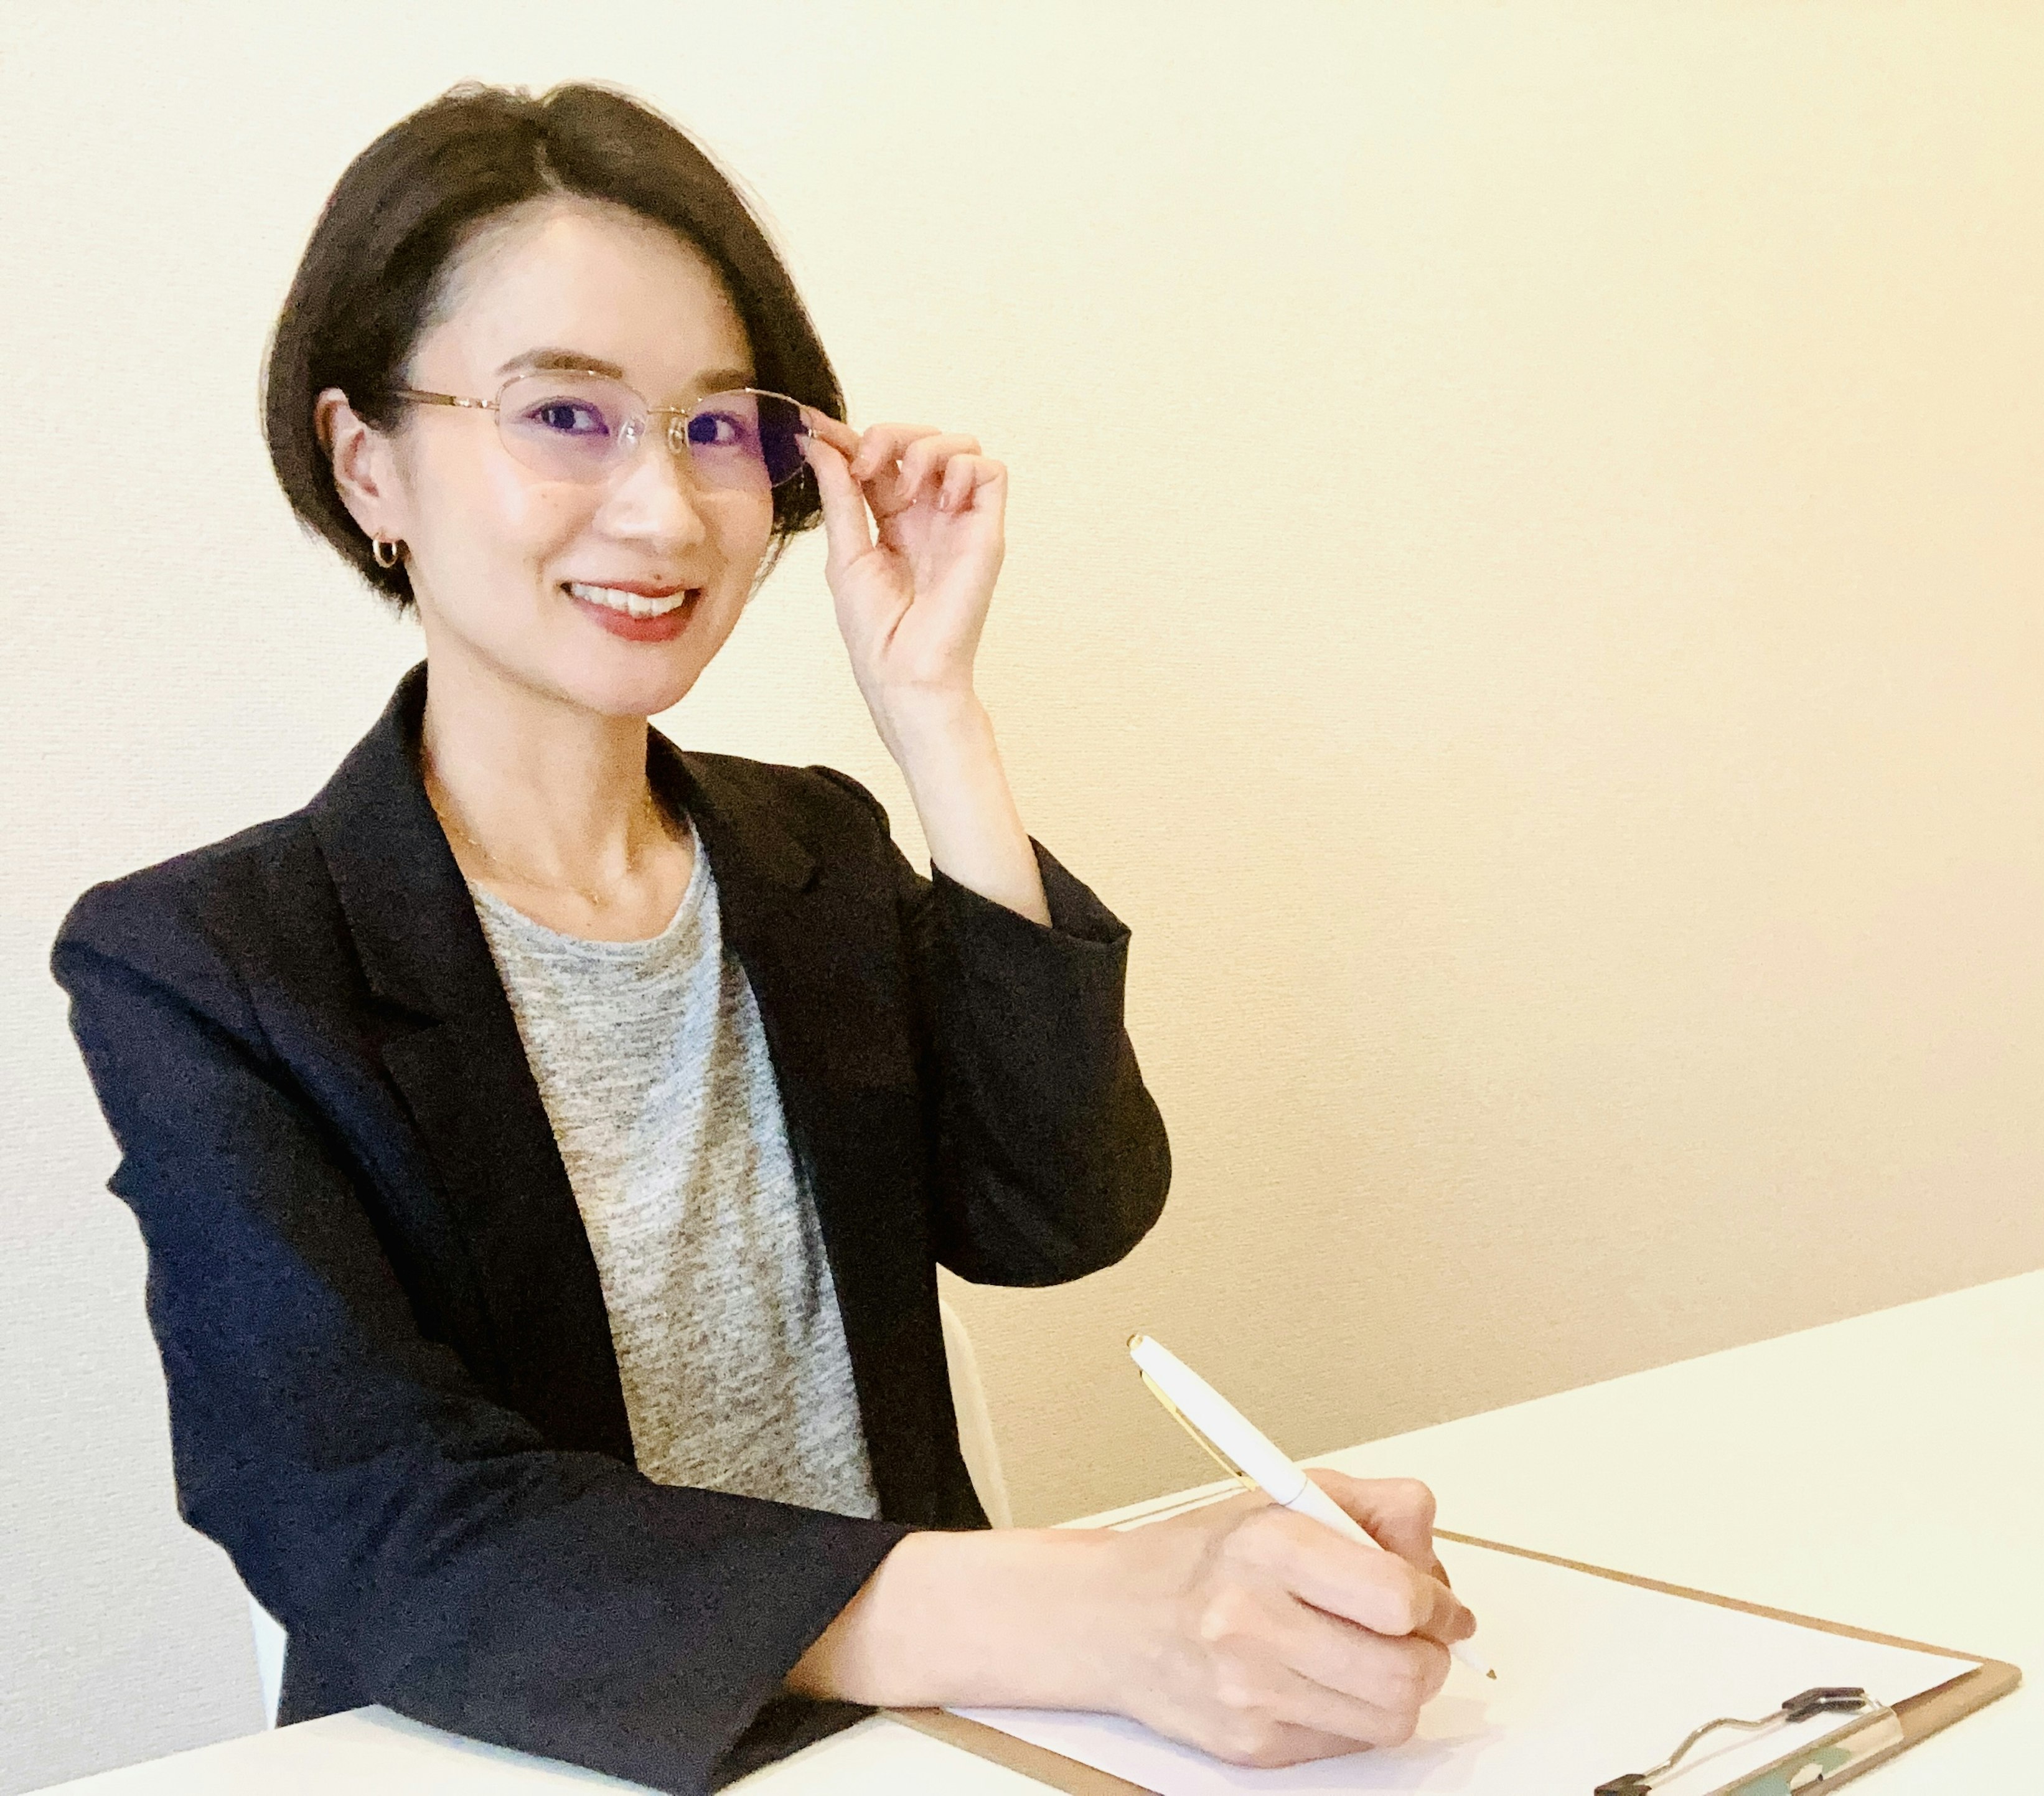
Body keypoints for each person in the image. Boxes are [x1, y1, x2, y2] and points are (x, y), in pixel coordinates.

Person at [50, 82, 1474, 1795]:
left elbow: (1061, 1212)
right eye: (564, 414)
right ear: (372, 463)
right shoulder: (206, 963)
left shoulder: (809, 846)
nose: (664, 512)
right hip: (525, 1754)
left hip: (914, 1749)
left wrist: (936, 720)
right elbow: (372, 1519)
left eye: (720, 427)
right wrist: (1083, 1609)